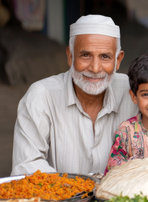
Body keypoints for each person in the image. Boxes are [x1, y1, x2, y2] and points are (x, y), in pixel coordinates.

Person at [11, 15, 138, 175]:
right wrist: (78, 188)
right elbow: (26, 165)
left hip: (122, 199)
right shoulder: (41, 95)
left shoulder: (134, 92)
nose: (95, 68)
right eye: (85, 55)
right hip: (59, 199)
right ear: (70, 56)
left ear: (118, 60)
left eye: (105, 57)